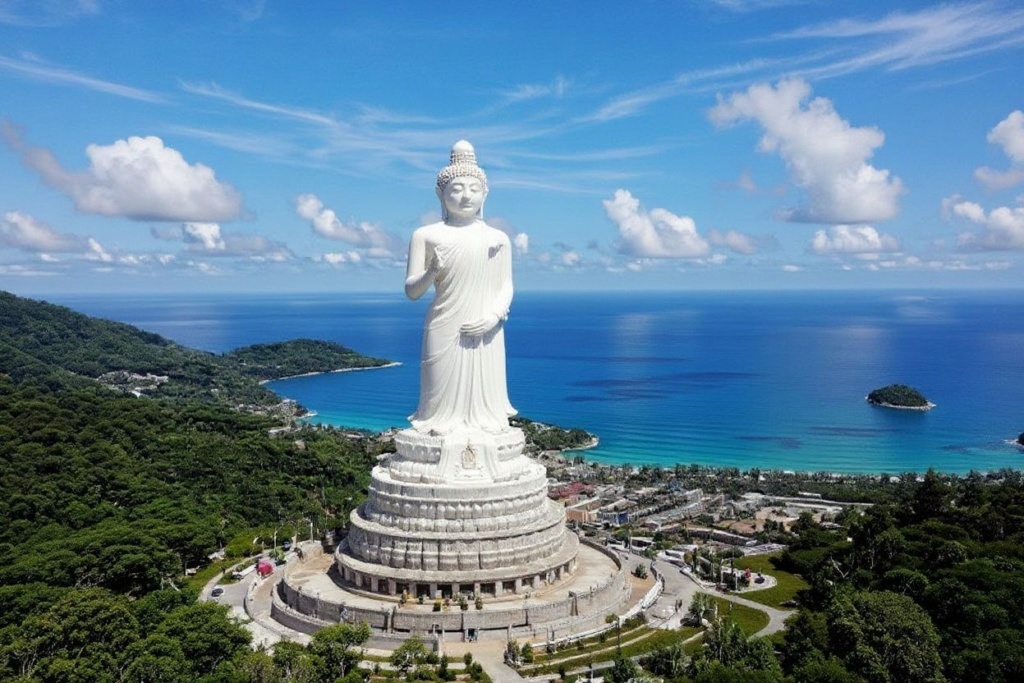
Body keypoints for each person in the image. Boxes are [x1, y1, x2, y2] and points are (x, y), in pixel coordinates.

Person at [404, 141, 516, 434]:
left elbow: (506, 285)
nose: (466, 196)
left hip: (486, 328)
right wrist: (432, 271)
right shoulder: (426, 235)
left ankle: (484, 422)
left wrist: (494, 317)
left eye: (473, 189)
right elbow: (412, 292)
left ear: (485, 193)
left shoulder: (498, 238)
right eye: (456, 188)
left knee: (487, 412)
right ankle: (439, 421)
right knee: (438, 403)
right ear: (440, 193)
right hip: (444, 325)